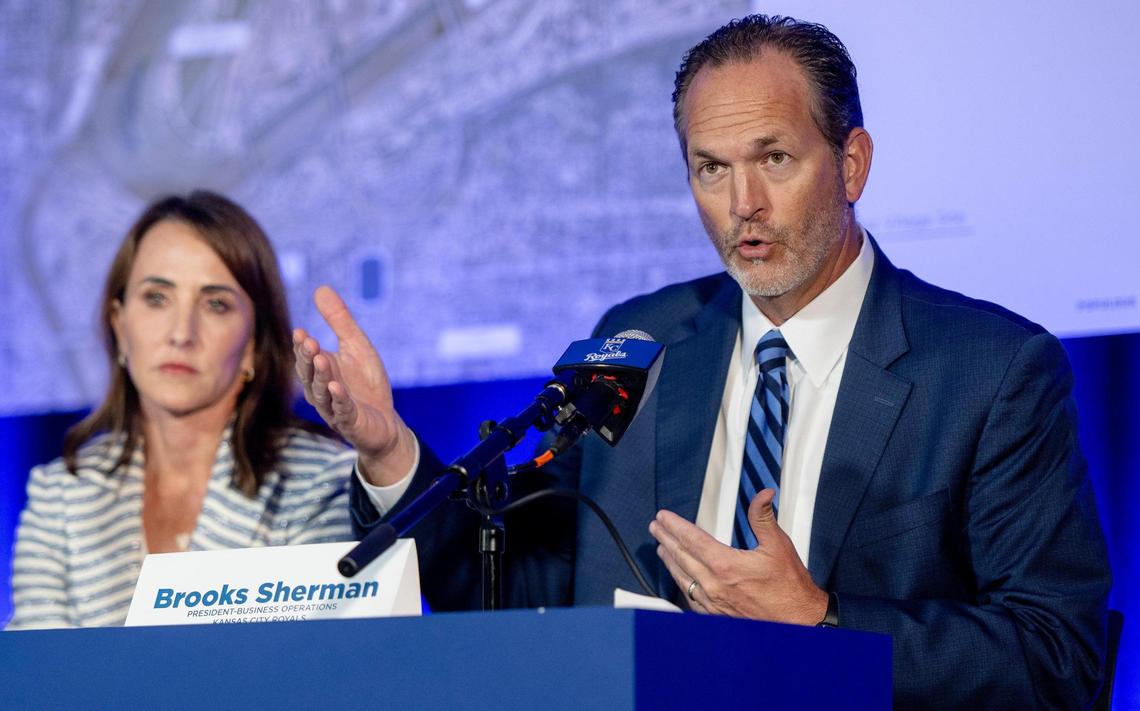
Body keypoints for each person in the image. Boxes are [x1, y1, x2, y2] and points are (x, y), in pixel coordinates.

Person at [293, 15, 1111, 709]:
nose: (741, 204)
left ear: (852, 163)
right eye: (710, 168)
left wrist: (822, 622)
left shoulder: (992, 371)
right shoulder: (639, 342)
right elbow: (522, 594)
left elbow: (1058, 656)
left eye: (775, 159)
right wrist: (390, 451)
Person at [7, 191, 355, 629]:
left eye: (215, 304)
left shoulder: (322, 483)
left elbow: (312, 676)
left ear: (253, 345)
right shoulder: (60, 496)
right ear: (119, 325)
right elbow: (41, 685)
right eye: (157, 297)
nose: (181, 333)